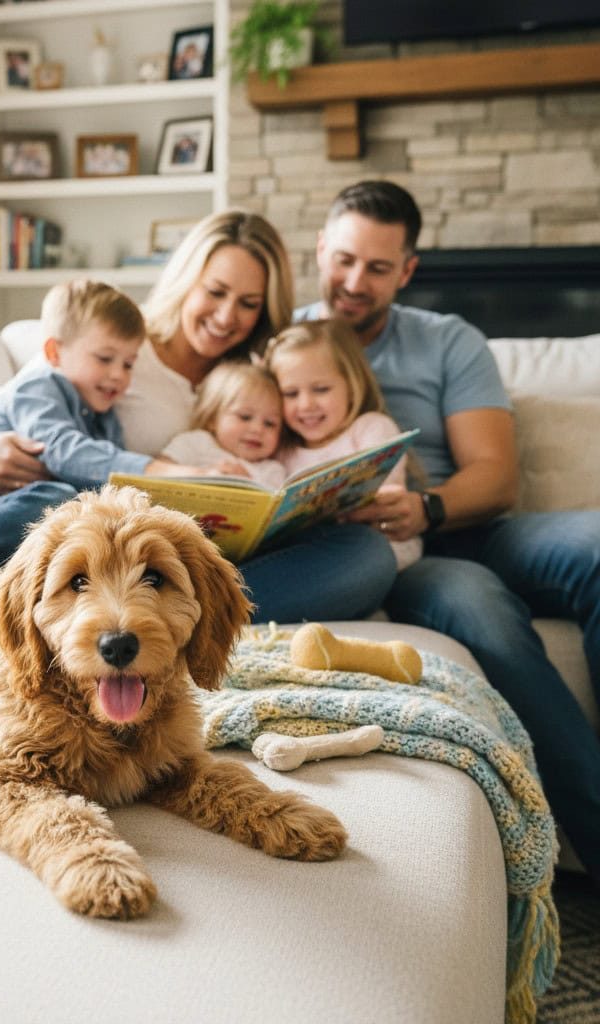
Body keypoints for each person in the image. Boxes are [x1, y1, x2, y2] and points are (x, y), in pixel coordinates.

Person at [296, 179, 600, 882]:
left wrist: (426, 507)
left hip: (463, 522)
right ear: (320, 248)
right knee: (481, 611)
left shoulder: (446, 341)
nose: (353, 282)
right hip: (395, 558)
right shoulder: (288, 345)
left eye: (377, 268)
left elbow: (496, 478)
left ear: (407, 271)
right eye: (343, 260)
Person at [0, 209, 398, 624]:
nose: (227, 316)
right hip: (120, 543)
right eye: (215, 292)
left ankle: (191, 616)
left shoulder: (255, 375)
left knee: (368, 554)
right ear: (188, 280)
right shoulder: (123, 347)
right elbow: (4, 402)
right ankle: (189, 616)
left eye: (248, 303)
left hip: (204, 550)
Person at [0, 280, 211, 579]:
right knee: (58, 501)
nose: (117, 375)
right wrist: (161, 472)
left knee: (100, 520)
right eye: (104, 359)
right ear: (54, 353)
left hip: (31, 534)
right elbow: (64, 451)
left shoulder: (106, 417)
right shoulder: (36, 389)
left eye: (128, 364)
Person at [265, 319, 421, 571]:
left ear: (352, 384)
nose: (306, 405)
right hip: (311, 555)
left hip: (377, 550)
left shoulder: (370, 428)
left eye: (321, 389)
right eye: (291, 394)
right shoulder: (281, 449)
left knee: (362, 551)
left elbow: (386, 492)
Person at [160, 361, 286, 487]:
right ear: (212, 418)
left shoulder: (272, 471)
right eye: (245, 417)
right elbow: (158, 470)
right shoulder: (196, 443)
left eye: (270, 423)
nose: (258, 429)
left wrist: (247, 483)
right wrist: (204, 474)